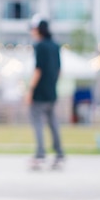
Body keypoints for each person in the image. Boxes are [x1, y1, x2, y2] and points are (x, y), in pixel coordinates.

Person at [25, 14, 65, 170]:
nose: (32, 32)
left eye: (33, 29)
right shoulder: (56, 46)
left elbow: (38, 70)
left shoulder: (39, 46)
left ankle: (40, 155)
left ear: (38, 30)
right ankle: (59, 154)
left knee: (38, 124)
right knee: (53, 123)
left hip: (40, 92)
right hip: (52, 91)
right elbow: (59, 70)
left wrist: (30, 90)